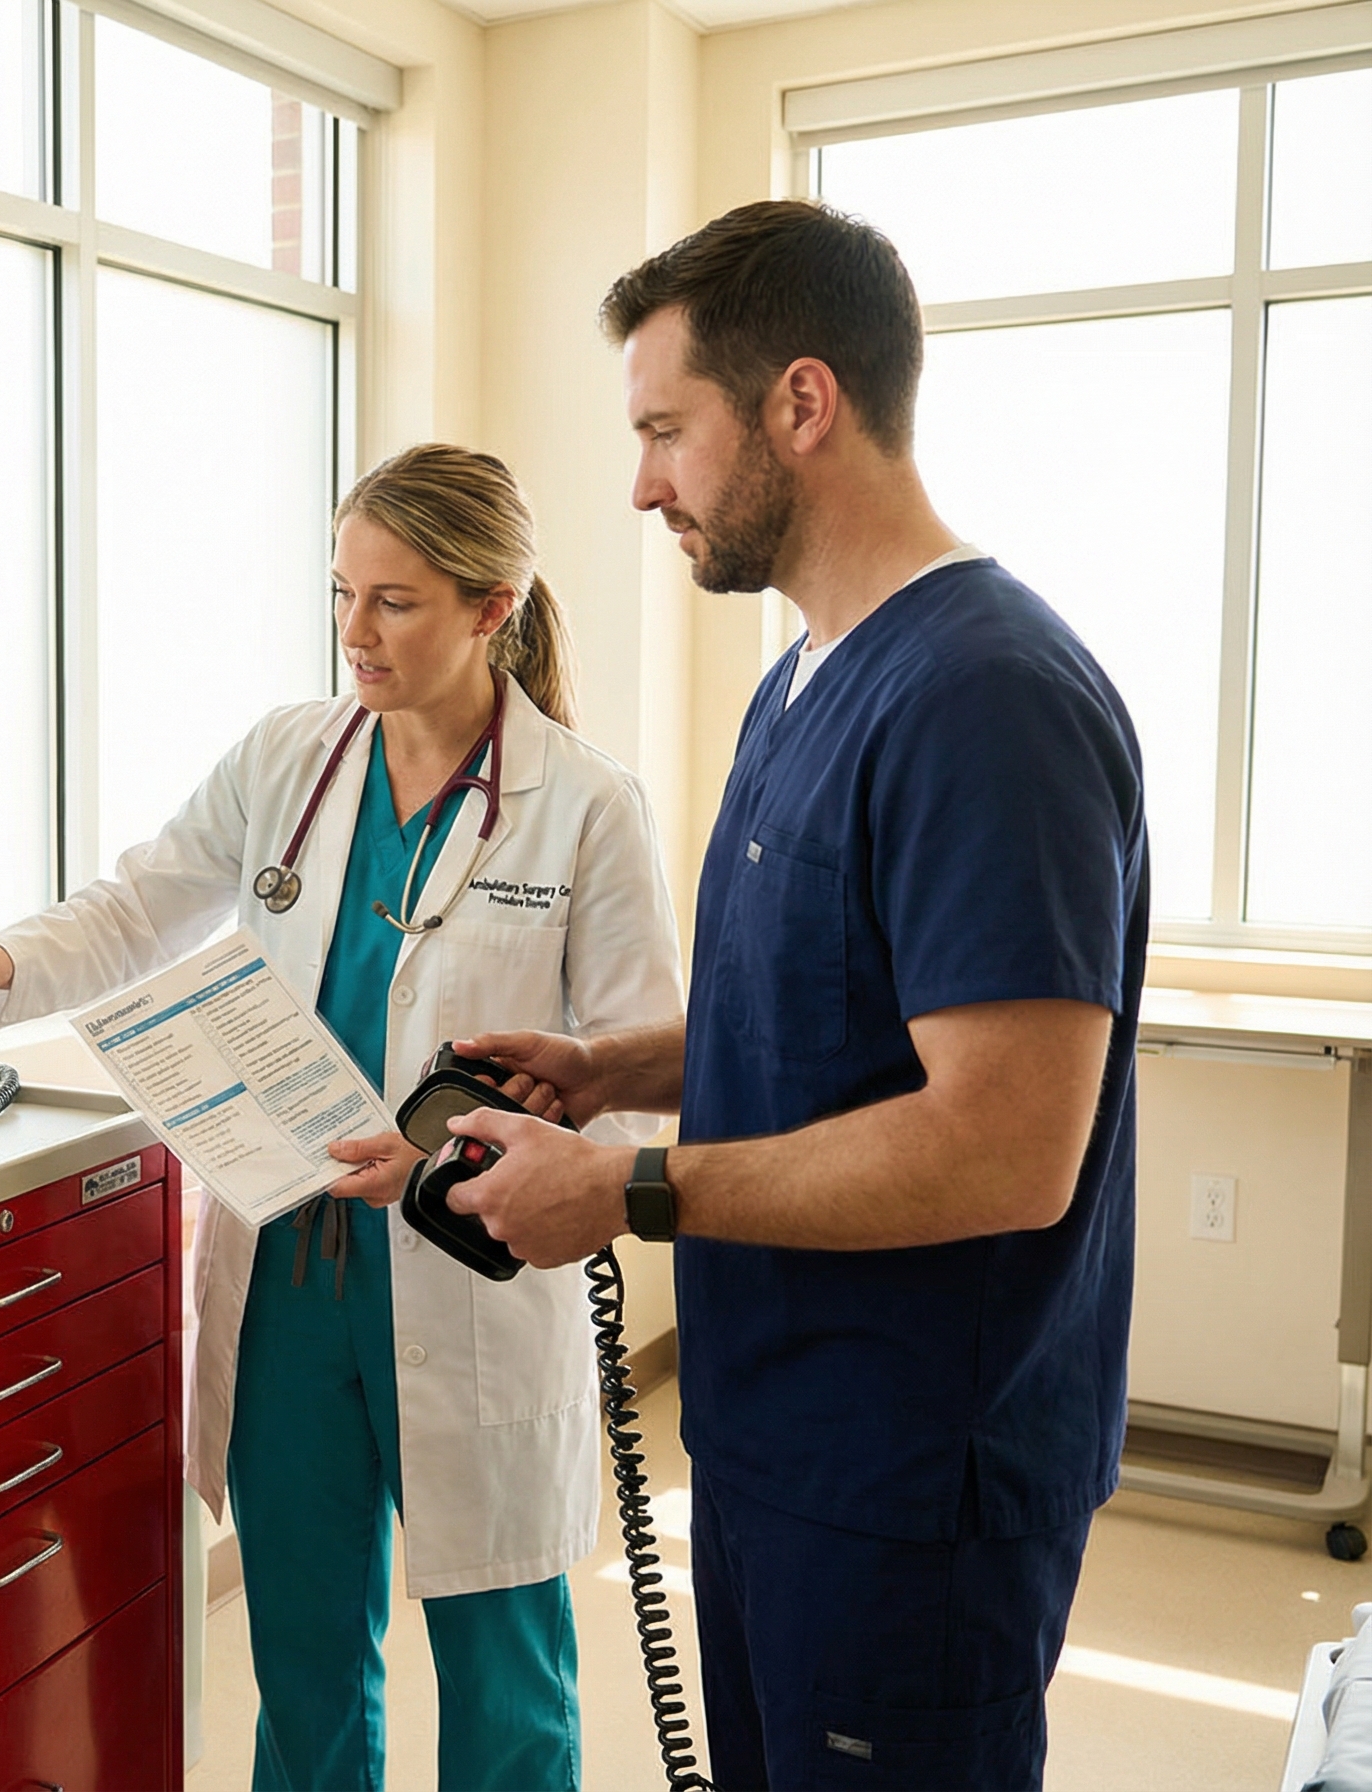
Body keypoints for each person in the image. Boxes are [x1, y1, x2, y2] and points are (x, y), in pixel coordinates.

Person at [0, 443, 683, 1790]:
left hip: (465, 1278)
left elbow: (630, 1083)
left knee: (506, 1678)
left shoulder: (585, 807)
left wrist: (462, 1157)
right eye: (340, 593)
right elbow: (137, 905)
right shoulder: (290, 757)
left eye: (393, 601)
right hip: (291, 1270)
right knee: (303, 1662)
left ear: (490, 604)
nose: (355, 632)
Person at [442, 201, 1148, 1791]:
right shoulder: (807, 674)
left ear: (801, 405)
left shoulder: (988, 702)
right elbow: (827, 1015)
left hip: (910, 1487)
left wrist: (625, 1187)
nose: (639, 485)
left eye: (663, 432)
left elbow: (1001, 1147)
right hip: (774, 1450)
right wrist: (612, 1064)